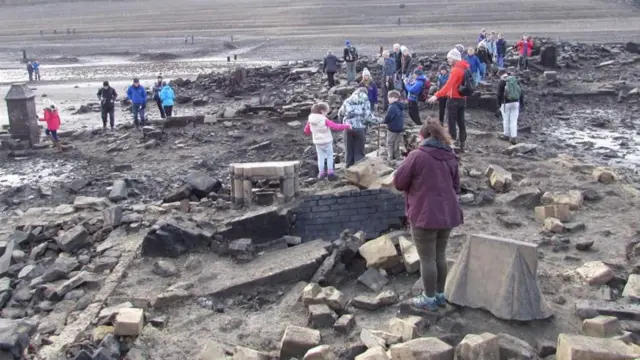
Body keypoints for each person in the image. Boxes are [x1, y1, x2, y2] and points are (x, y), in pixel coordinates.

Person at [393, 119, 463, 311]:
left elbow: (399, 182)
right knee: (440, 255)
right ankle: (440, 295)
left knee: (427, 258)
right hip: (448, 213)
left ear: (422, 136)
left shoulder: (417, 156)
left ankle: (429, 298)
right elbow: (456, 185)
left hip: (424, 213)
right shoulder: (450, 155)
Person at [427, 48, 470, 152]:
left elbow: (448, 85)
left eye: (449, 58)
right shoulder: (465, 68)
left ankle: (452, 145)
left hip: (453, 99)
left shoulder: (455, 70)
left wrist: (436, 95)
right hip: (462, 99)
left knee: (451, 123)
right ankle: (462, 145)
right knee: (461, 122)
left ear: (454, 58)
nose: (448, 61)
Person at [304, 102, 352, 180]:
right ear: (322, 111)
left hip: (318, 143)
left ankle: (321, 173)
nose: (326, 114)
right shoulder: (324, 119)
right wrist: (347, 126)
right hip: (327, 141)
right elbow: (335, 127)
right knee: (329, 156)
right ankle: (330, 173)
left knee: (321, 158)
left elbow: (306, 131)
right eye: (326, 111)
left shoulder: (310, 120)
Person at [338, 88, 379, 167]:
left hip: (347, 127)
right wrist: (378, 120)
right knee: (359, 150)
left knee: (348, 149)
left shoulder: (347, 100)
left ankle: (349, 167)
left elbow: (340, 113)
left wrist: (343, 124)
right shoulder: (365, 101)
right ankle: (358, 168)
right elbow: (368, 116)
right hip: (360, 128)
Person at [497, 69, 524, 144]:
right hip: (516, 102)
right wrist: (521, 102)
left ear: (500, 75)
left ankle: (506, 135)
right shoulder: (514, 80)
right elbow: (520, 91)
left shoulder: (501, 82)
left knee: (506, 120)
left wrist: (499, 105)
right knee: (513, 120)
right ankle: (514, 137)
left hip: (506, 103)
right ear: (506, 73)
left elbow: (499, 94)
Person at [384, 90, 405, 160]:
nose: (389, 99)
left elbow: (388, 118)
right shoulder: (400, 106)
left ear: (396, 98)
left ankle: (390, 157)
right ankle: (397, 156)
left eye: (391, 97)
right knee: (396, 143)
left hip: (392, 128)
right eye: (389, 97)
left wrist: (384, 121)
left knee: (390, 143)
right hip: (399, 127)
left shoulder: (392, 107)